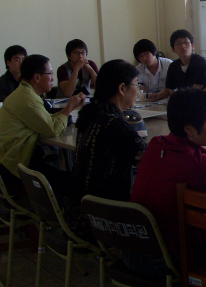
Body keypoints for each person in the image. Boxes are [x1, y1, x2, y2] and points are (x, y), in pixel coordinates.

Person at [128, 88, 206, 273]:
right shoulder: (197, 163)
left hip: (132, 249)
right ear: (189, 129)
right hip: (164, 260)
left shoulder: (156, 144)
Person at [62, 59, 148, 240]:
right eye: (136, 85)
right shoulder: (112, 123)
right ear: (122, 88)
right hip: (97, 221)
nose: (138, 90)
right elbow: (149, 162)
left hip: (75, 212)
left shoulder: (91, 114)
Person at [0, 54, 85, 195]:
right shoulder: (27, 98)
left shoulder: (25, 92)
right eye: (50, 74)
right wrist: (69, 106)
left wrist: (67, 110)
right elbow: (53, 129)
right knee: (74, 183)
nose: (52, 79)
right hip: (12, 168)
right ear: (37, 77)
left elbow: (45, 119)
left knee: (69, 178)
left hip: (7, 162)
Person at [153, 29, 206, 101]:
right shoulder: (173, 66)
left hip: (200, 101)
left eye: (186, 42)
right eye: (178, 43)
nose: (183, 46)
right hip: (183, 101)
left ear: (193, 46)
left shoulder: (200, 62)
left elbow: (197, 89)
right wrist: (157, 96)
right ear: (173, 49)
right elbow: (168, 89)